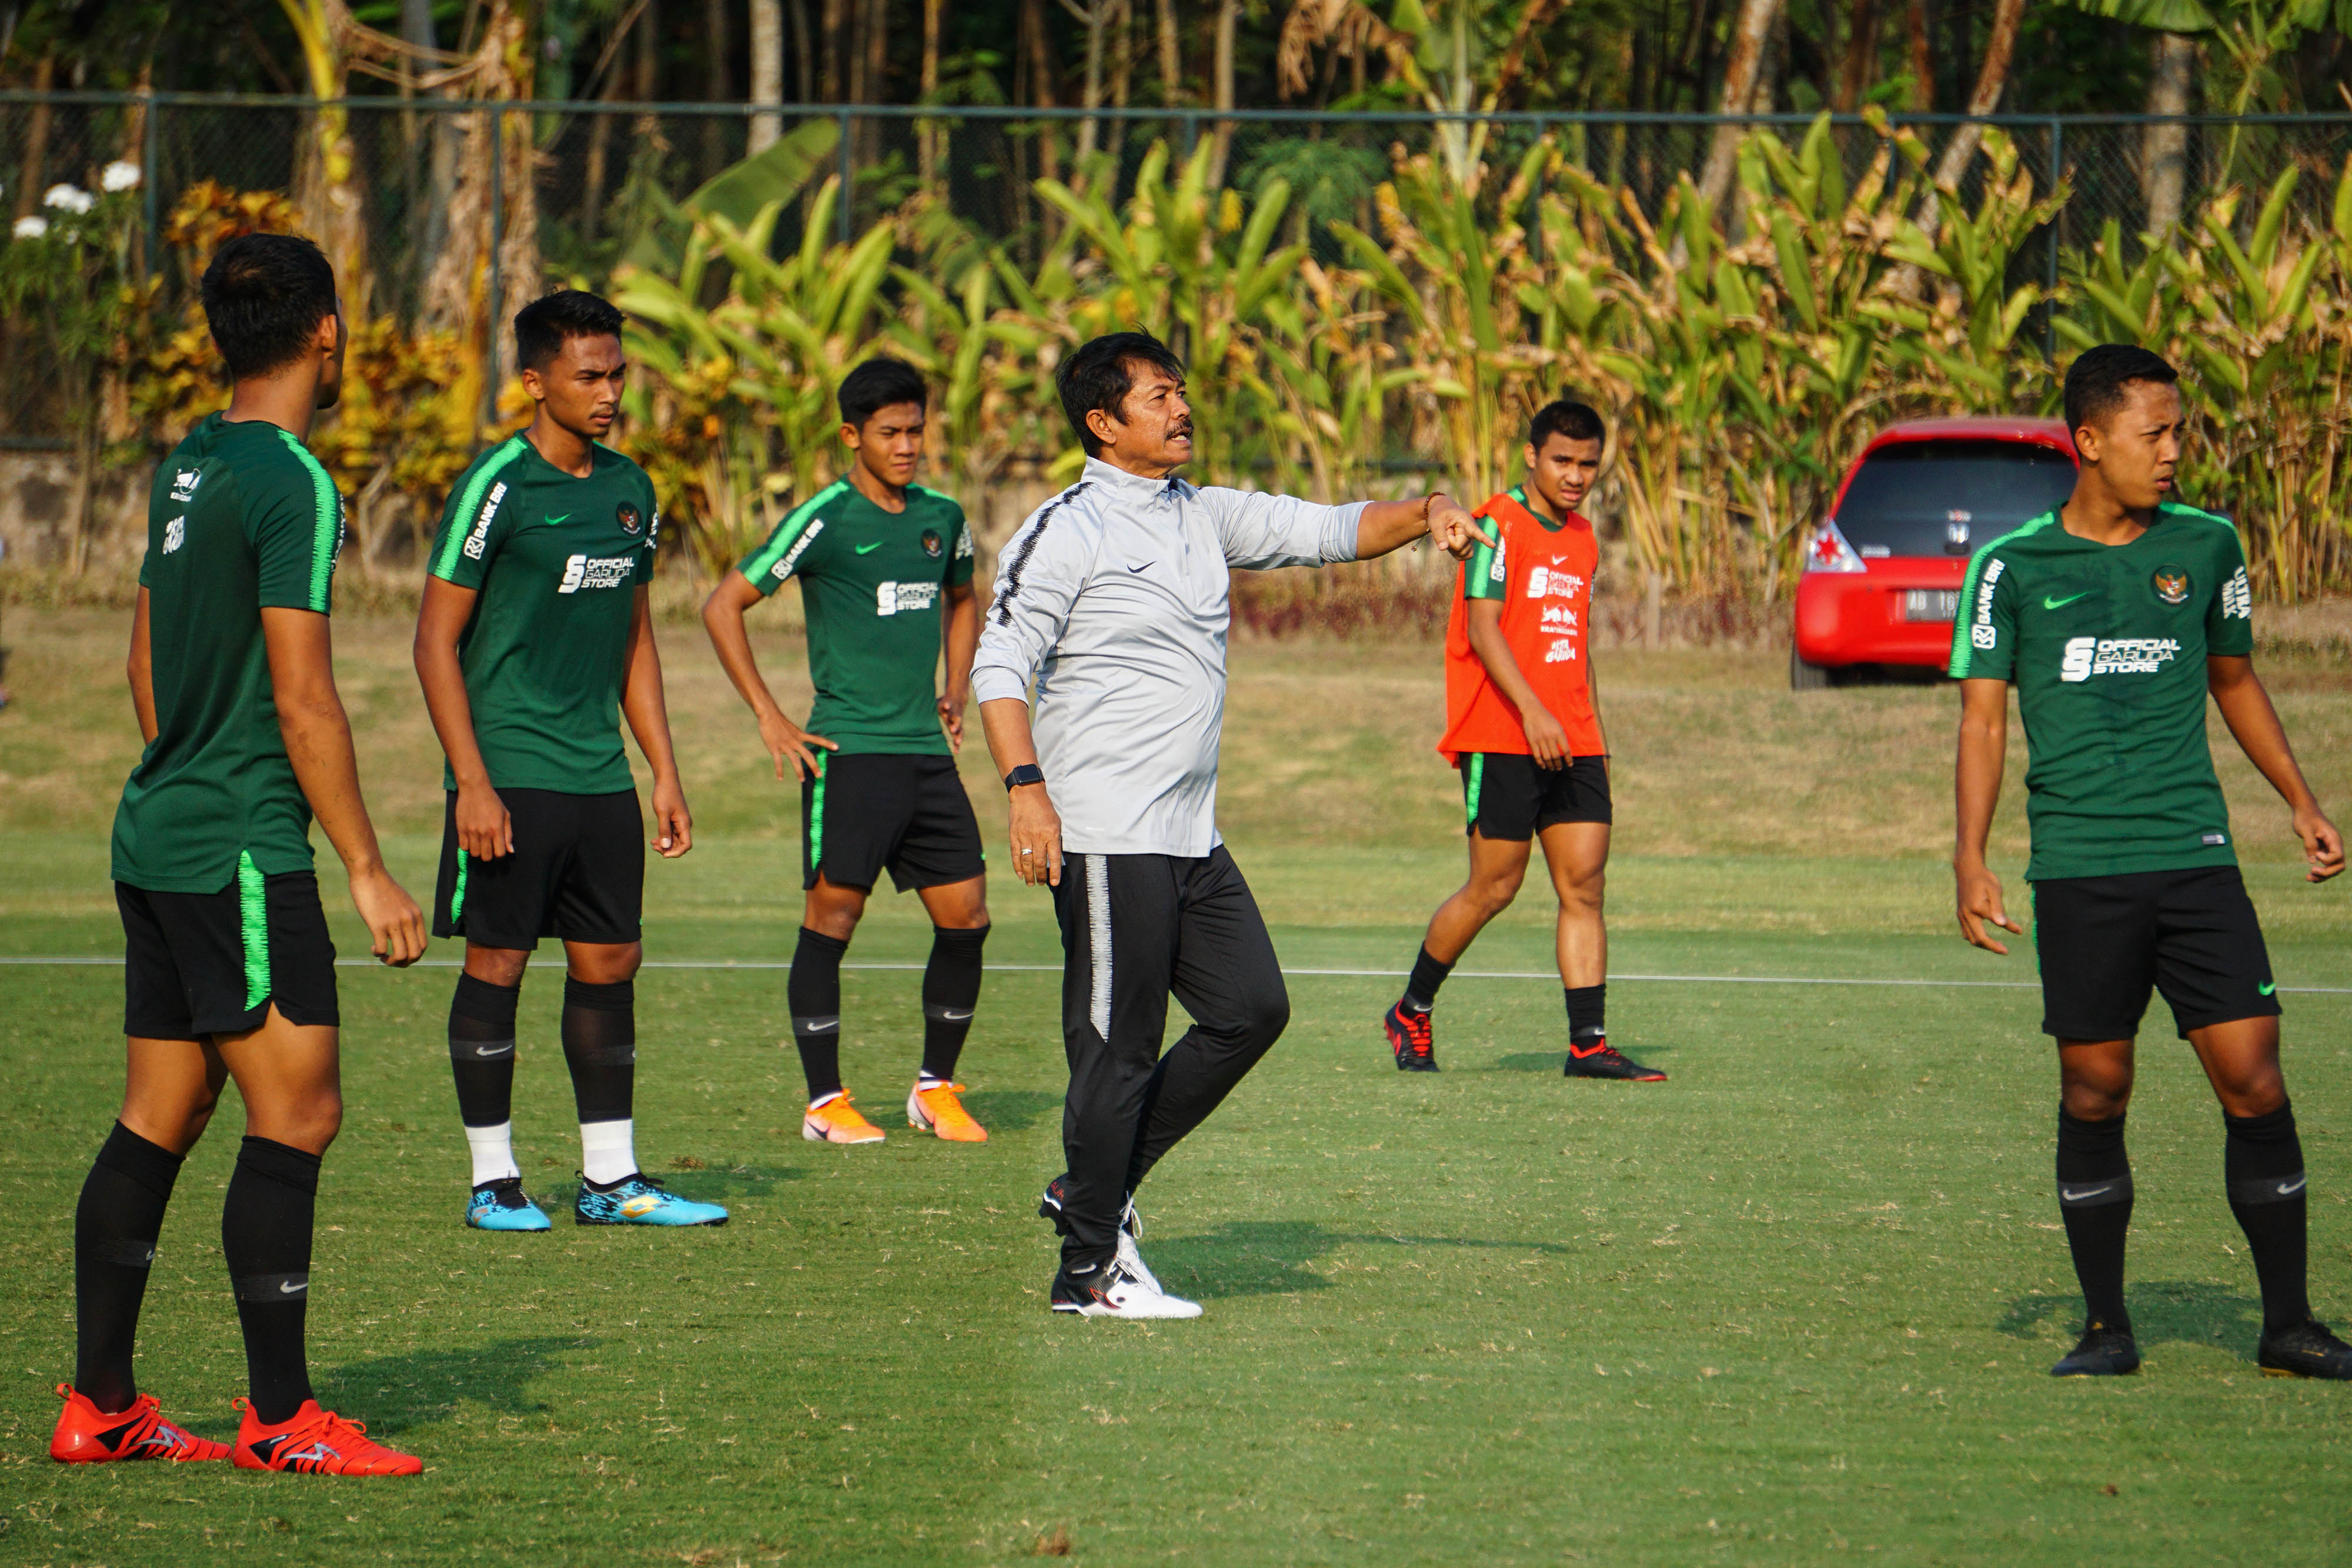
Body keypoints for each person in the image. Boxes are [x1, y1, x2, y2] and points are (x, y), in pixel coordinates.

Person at [973, 330, 1487, 1320]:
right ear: (1103, 421)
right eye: (1158, 397)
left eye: (1179, 393)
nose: (1180, 409)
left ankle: (1094, 1188)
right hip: (1107, 831)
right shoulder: (1066, 529)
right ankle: (1087, 1274)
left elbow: (1333, 528)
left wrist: (1426, 514)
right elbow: (998, 668)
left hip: (1191, 836)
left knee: (1253, 1007)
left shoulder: (1204, 514)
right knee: (1117, 1049)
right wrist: (1024, 785)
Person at [51, 233, 429, 1475]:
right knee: (300, 1108)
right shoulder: (292, 480)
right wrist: (366, 865)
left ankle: (100, 1402)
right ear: (327, 327)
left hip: (158, 829)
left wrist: (185, 767)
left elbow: (142, 663)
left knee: (163, 1109)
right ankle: (281, 1419)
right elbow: (305, 696)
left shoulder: (189, 463)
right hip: (238, 850)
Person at [1952, 343, 2350, 1380]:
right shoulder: (2011, 567)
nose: (2174, 452)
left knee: (2256, 1079)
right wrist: (1969, 855)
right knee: (2097, 1090)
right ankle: (2104, 1326)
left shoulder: (2208, 544)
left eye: (2180, 431)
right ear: (2090, 441)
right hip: (2082, 868)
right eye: (2154, 433)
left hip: (2195, 857)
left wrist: (2301, 801)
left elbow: (2236, 679)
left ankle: (2288, 1326)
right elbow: (1984, 725)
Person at [415, 289, 725, 1233]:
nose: (608, 391)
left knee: (610, 959)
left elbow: (634, 636)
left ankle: (612, 1178)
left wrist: (662, 767)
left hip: (598, 772)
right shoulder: (495, 486)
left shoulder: (631, 488)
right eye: (589, 374)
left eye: (617, 373)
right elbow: (434, 642)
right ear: (535, 379)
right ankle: (493, 1180)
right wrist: (470, 779)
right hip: (508, 767)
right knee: (499, 963)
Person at [702, 357, 990, 1146]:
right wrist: (771, 717)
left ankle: (936, 1088)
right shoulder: (823, 519)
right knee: (834, 916)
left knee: (967, 915)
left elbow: (967, 595)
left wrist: (955, 687)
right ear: (852, 435)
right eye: (890, 432)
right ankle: (824, 1100)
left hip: (926, 753)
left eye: (916, 430)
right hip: (849, 753)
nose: (906, 445)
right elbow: (725, 603)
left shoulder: (944, 516)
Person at [1383, 399, 1662, 1081]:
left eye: (1588, 464)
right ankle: (1411, 1010)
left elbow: (1576, 643)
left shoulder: (1585, 538)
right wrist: (1534, 713)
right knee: (1494, 887)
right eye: (1562, 460)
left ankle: (1587, 1045)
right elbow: (1484, 629)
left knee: (1584, 887)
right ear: (1532, 456)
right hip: (1501, 732)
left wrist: (1590, 727)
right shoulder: (1494, 525)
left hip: (1573, 738)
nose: (1575, 475)